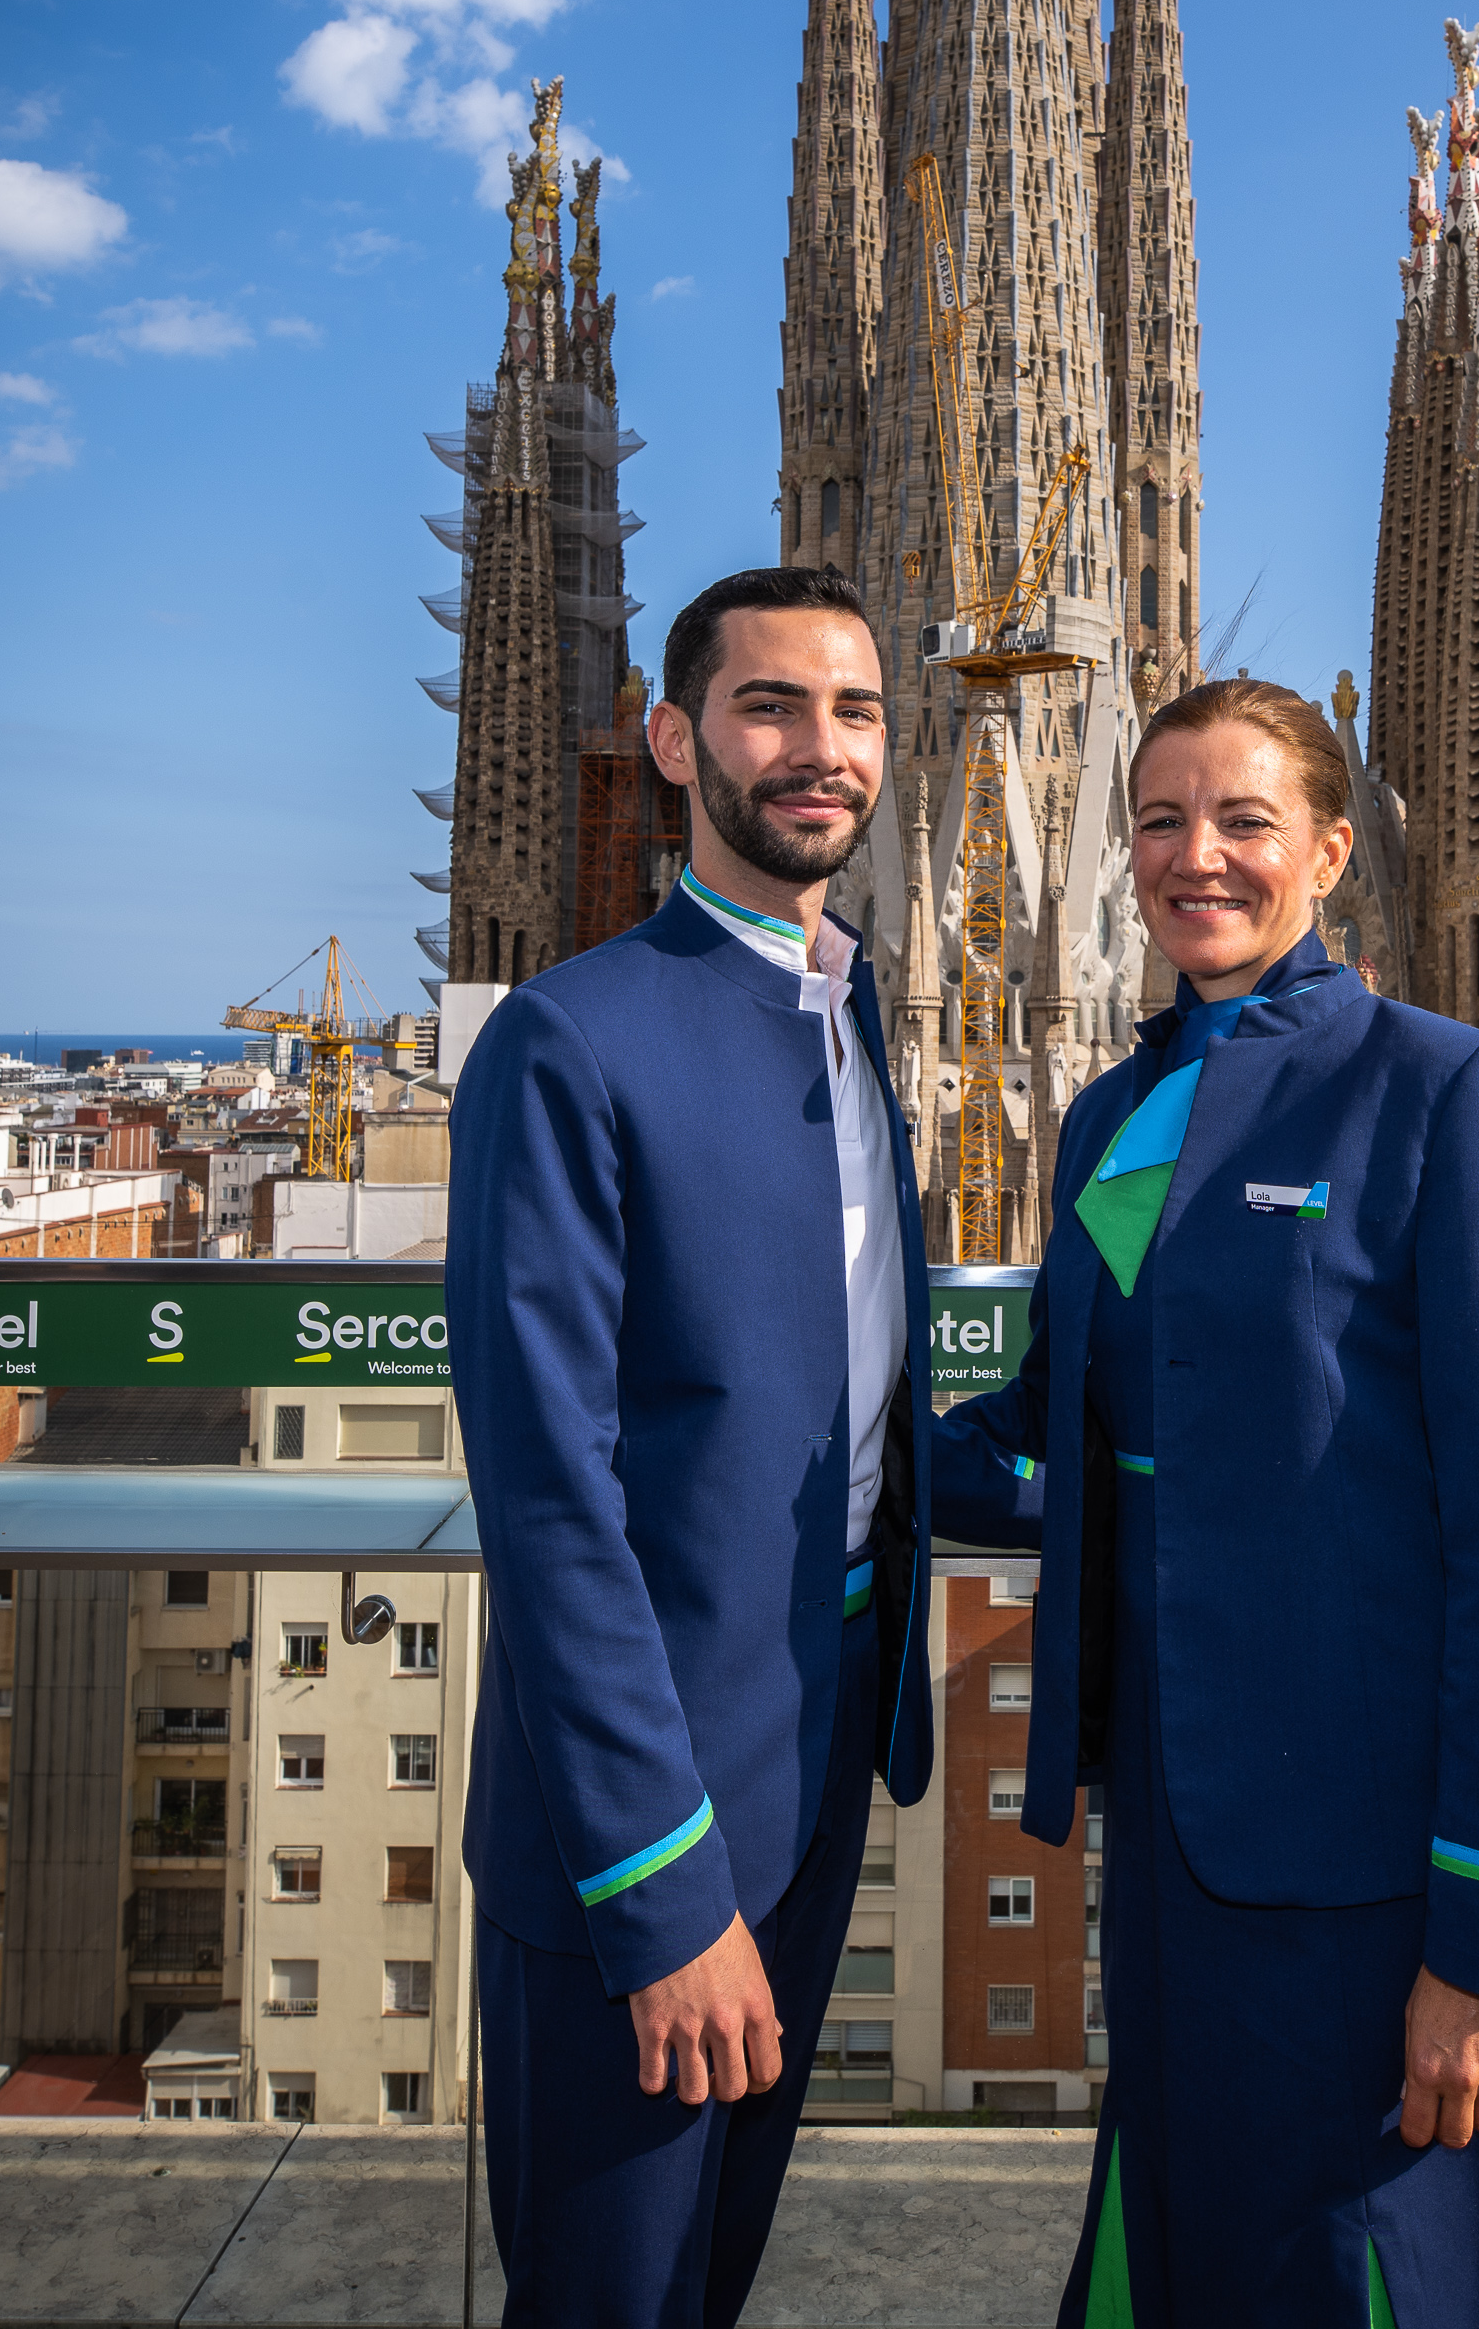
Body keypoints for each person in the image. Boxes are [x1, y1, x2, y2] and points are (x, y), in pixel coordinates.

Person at [934, 677, 1479, 2329]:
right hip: (1171, 1817)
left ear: (1329, 851)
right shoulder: (1111, 1110)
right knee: (1196, 2236)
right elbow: (1052, 1436)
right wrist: (791, 1455)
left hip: (1370, 1843)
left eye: (1243, 820)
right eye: (1161, 821)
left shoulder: (1448, 1092)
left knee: (1375, 2259)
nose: (1195, 857)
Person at [447, 565, 939, 2329]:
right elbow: (549, 1495)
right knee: (610, 2293)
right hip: (639, 1827)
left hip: (813, 1764)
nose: (821, 749)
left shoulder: (850, 1009)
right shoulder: (574, 1036)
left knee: (707, 2278)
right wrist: (659, 1888)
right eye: (770, 708)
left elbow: (836, 1387)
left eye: (856, 712)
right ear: (677, 741)